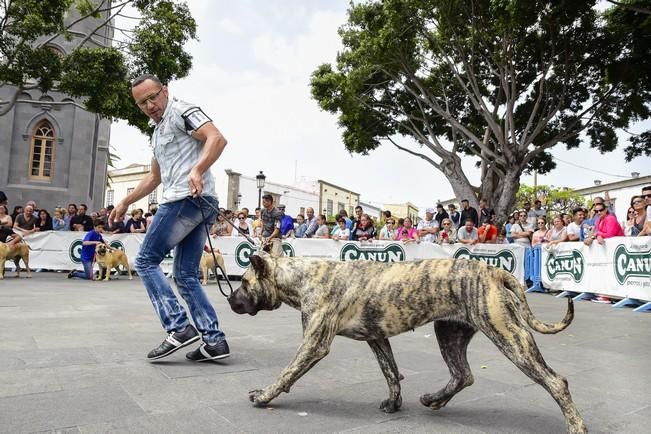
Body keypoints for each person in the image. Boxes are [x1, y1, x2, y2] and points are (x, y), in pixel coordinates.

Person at [109, 74, 230, 362]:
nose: (150, 105)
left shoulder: (181, 110)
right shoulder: (156, 131)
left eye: (153, 97)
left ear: (165, 90)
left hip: (184, 200)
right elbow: (154, 176)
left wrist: (197, 169)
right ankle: (214, 342)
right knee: (186, 274)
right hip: (199, 202)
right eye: (142, 103)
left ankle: (178, 326)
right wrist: (126, 200)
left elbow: (217, 138)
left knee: (145, 260)